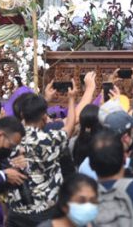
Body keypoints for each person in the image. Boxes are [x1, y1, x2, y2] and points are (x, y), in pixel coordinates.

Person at [7, 85, 80, 227]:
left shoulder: (9, 139)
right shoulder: (49, 140)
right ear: (44, 117)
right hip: (44, 211)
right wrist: (71, 99)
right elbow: (70, 126)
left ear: (22, 115)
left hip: (16, 209)